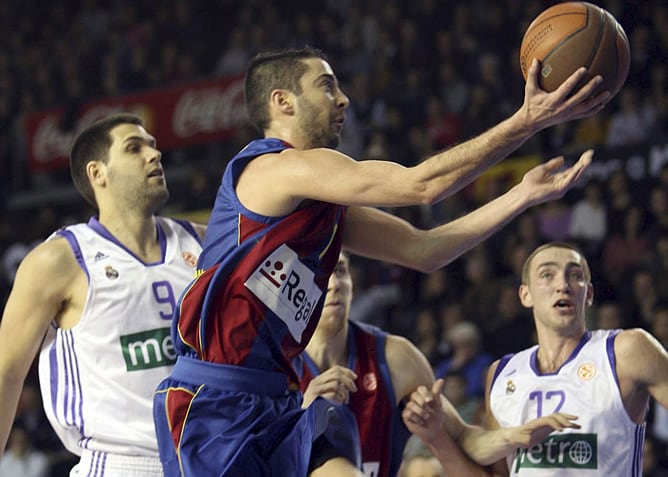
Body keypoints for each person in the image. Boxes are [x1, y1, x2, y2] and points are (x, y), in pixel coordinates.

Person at [152, 46, 609, 476]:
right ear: (282, 102)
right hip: (215, 403)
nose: (343, 98)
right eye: (327, 85)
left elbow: (424, 251)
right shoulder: (273, 168)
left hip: (278, 398)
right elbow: (421, 186)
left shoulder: (324, 208)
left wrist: (521, 196)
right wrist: (524, 122)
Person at [0, 113, 205, 475]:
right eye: (134, 148)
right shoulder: (59, 260)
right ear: (98, 173)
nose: (153, 155)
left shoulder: (203, 243)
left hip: (209, 459)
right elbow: (7, 373)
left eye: (154, 146)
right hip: (120, 464)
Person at [403, 242, 668, 475]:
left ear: (588, 295)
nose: (562, 285)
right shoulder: (502, 373)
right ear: (525, 295)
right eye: (547, 275)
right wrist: (436, 437)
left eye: (575, 276)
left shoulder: (627, 350)